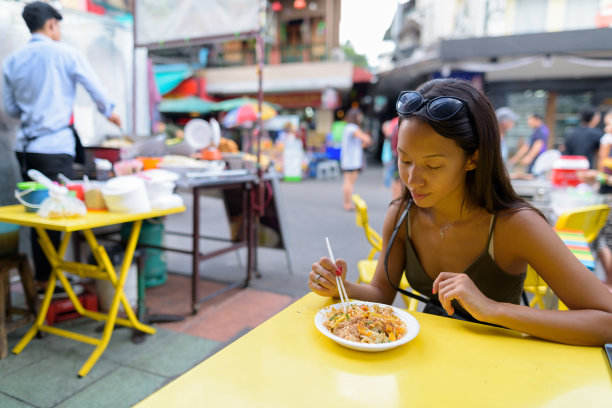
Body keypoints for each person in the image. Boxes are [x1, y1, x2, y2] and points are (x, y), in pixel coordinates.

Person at [309, 78, 612, 346]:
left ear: (473, 159)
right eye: (404, 160)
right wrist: (341, 287)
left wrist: (493, 309)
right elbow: (381, 294)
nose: (412, 179)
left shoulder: (516, 225)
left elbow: (606, 320)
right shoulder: (403, 214)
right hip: (426, 363)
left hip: (499, 367)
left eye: (433, 165)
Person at [2, 1, 121, 294]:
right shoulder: (66, 53)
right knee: (58, 215)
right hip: (54, 148)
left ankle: (46, 279)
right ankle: (54, 282)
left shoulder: (12, 62)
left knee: (37, 213)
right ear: (52, 24)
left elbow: (9, 109)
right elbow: (95, 89)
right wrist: (112, 112)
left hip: (25, 147)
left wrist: (33, 111)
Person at [340, 107, 372, 211]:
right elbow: (366, 139)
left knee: (348, 182)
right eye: (360, 115)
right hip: (351, 161)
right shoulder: (352, 128)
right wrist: (366, 138)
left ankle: (347, 202)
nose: (361, 117)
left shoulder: (348, 127)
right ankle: (347, 203)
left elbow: (360, 143)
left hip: (349, 159)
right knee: (349, 182)